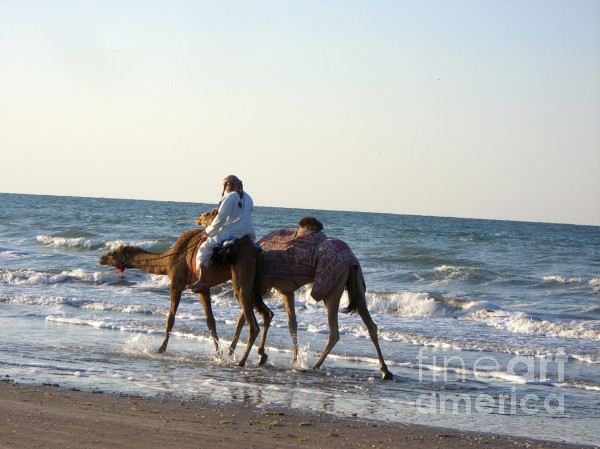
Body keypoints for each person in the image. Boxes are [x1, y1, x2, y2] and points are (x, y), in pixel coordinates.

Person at [190, 175, 256, 293]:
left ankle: (202, 279)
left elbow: (220, 218)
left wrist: (207, 232)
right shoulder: (249, 198)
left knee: (204, 249)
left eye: (225, 186)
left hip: (233, 232)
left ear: (228, 186)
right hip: (249, 233)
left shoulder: (230, 197)